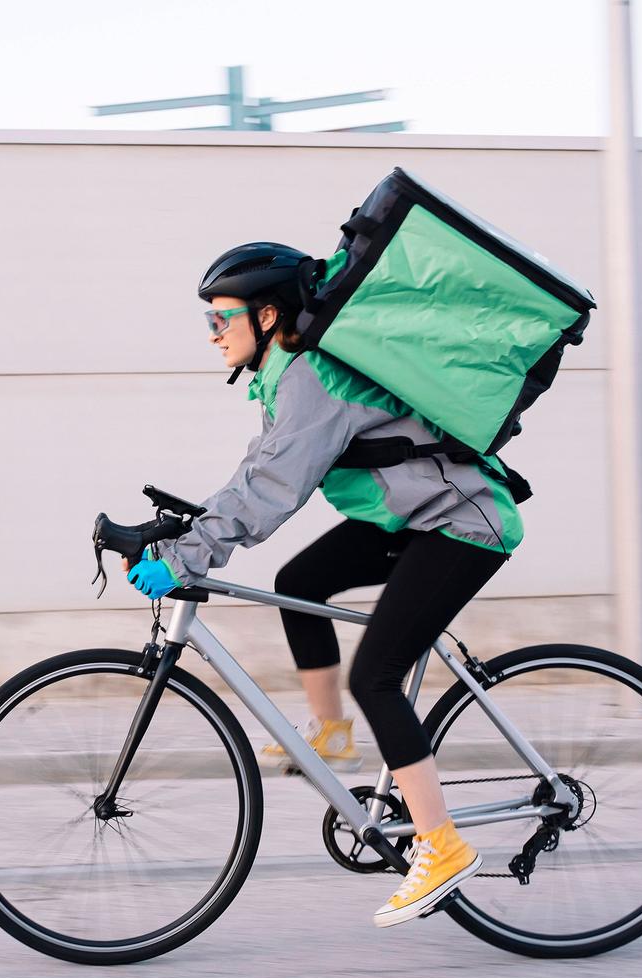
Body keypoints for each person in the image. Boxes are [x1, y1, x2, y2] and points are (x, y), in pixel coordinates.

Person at [122, 242, 524, 928]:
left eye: (222, 319)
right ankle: (332, 733)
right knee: (300, 579)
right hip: (412, 518)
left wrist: (190, 559)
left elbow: (275, 487)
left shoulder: (311, 378)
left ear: (268, 313)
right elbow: (256, 474)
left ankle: (442, 846)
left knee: (378, 675)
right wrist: (182, 532)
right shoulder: (285, 377)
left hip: (460, 524)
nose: (212, 335)